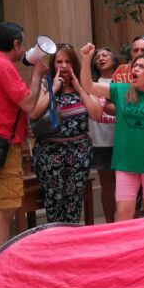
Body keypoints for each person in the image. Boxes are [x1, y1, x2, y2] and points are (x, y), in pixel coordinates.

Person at [80, 43, 144, 221]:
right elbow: (87, 86)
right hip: (126, 162)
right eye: (134, 65)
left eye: (141, 66)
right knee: (125, 213)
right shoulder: (121, 90)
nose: (135, 69)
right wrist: (86, 59)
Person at [0, 22, 48, 249]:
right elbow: (27, 103)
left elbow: (2, 105)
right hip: (2, 145)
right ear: (15, 44)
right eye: (22, 45)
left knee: (4, 204)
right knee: (6, 207)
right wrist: (36, 74)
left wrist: (22, 127)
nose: (24, 50)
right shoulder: (3, 66)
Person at [30, 44, 102, 223]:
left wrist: (79, 88)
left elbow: (97, 114)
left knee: (74, 201)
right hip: (49, 153)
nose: (63, 66)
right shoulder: (45, 84)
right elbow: (34, 112)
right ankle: (56, 242)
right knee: (53, 201)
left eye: (68, 61)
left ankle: (71, 241)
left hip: (78, 153)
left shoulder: (84, 84)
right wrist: (54, 89)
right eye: (59, 61)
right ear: (53, 64)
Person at [83, 47, 118, 223]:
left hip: (121, 142)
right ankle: (109, 222)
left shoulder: (121, 80)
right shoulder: (92, 83)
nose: (100, 58)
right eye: (97, 57)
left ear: (114, 58)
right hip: (100, 142)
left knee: (124, 185)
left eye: (105, 55)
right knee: (107, 186)